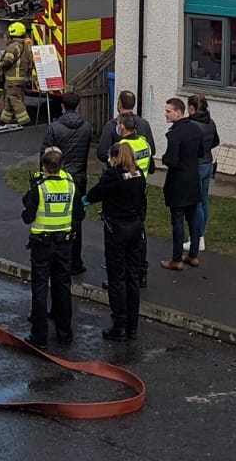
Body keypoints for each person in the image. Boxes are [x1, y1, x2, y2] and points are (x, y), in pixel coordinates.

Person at [85, 141, 147, 341]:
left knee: (117, 278)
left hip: (117, 229)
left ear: (115, 157)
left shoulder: (114, 176)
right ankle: (132, 327)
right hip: (136, 228)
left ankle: (119, 325)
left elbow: (95, 194)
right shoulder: (139, 175)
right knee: (133, 278)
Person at [21, 146, 76, 348]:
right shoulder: (70, 184)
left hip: (42, 245)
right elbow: (78, 212)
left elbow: (28, 217)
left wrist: (30, 193)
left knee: (40, 288)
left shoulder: (40, 187)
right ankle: (65, 334)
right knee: (63, 288)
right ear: (62, 166)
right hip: (64, 243)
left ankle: (39, 336)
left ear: (44, 165)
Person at [41, 91, 97, 276]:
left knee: (55, 220)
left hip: (59, 177)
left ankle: (56, 261)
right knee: (76, 220)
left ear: (62, 106)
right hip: (79, 178)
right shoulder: (87, 127)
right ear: (78, 106)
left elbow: (46, 154)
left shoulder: (54, 127)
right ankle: (75, 262)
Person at [159, 97, 207, 271]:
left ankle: (176, 258)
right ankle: (193, 255)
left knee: (178, 220)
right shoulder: (195, 129)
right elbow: (202, 152)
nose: (165, 114)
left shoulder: (175, 134)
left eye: (168, 111)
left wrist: (164, 159)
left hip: (178, 181)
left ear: (178, 113)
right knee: (193, 219)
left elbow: (171, 160)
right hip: (193, 178)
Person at [187, 94, 220, 255]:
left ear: (192, 108)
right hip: (208, 163)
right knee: (204, 201)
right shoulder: (210, 122)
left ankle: (197, 238)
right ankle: (201, 235)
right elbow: (216, 141)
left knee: (196, 203)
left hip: (198, 165)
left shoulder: (192, 125)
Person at [96, 89, 156, 167]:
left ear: (119, 104)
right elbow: (152, 150)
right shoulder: (144, 124)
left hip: (118, 174)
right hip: (140, 176)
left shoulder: (112, 125)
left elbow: (102, 153)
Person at [0, 21, 36, 127]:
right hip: (21, 78)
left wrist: (1, 65)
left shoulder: (13, 46)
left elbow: (8, 61)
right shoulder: (25, 45)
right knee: (12, 98)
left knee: (14, 98)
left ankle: (24, 121)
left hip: (12, 78)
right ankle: (5, 119)